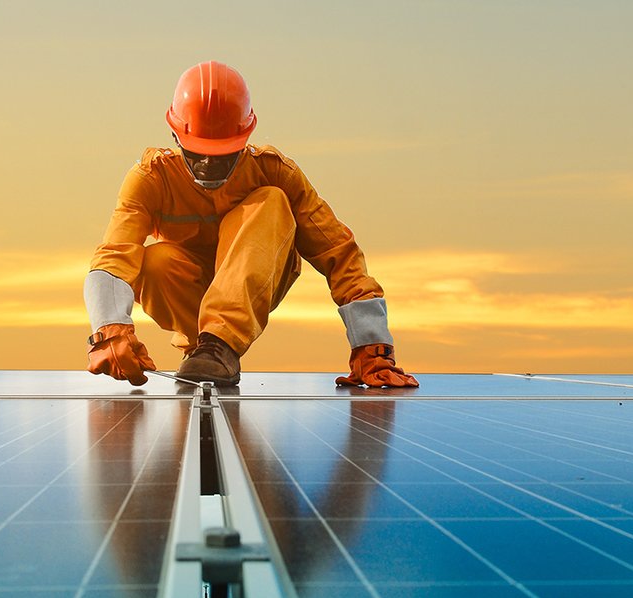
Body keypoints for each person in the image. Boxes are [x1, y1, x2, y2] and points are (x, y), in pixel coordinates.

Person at [83, 60, 418, 389]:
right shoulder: (150, 180)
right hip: (190, 297)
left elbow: (338, 252)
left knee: (271, 200)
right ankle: (205, 347)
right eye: (197, 154)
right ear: (174, 136)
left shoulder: (276, 172)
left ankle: (220, 345)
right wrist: (108, 327)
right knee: (153, 261)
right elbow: (114, 255)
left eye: (222, 155)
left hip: (260, 275)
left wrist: (372, 346)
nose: (208, 166)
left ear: (245, 138)